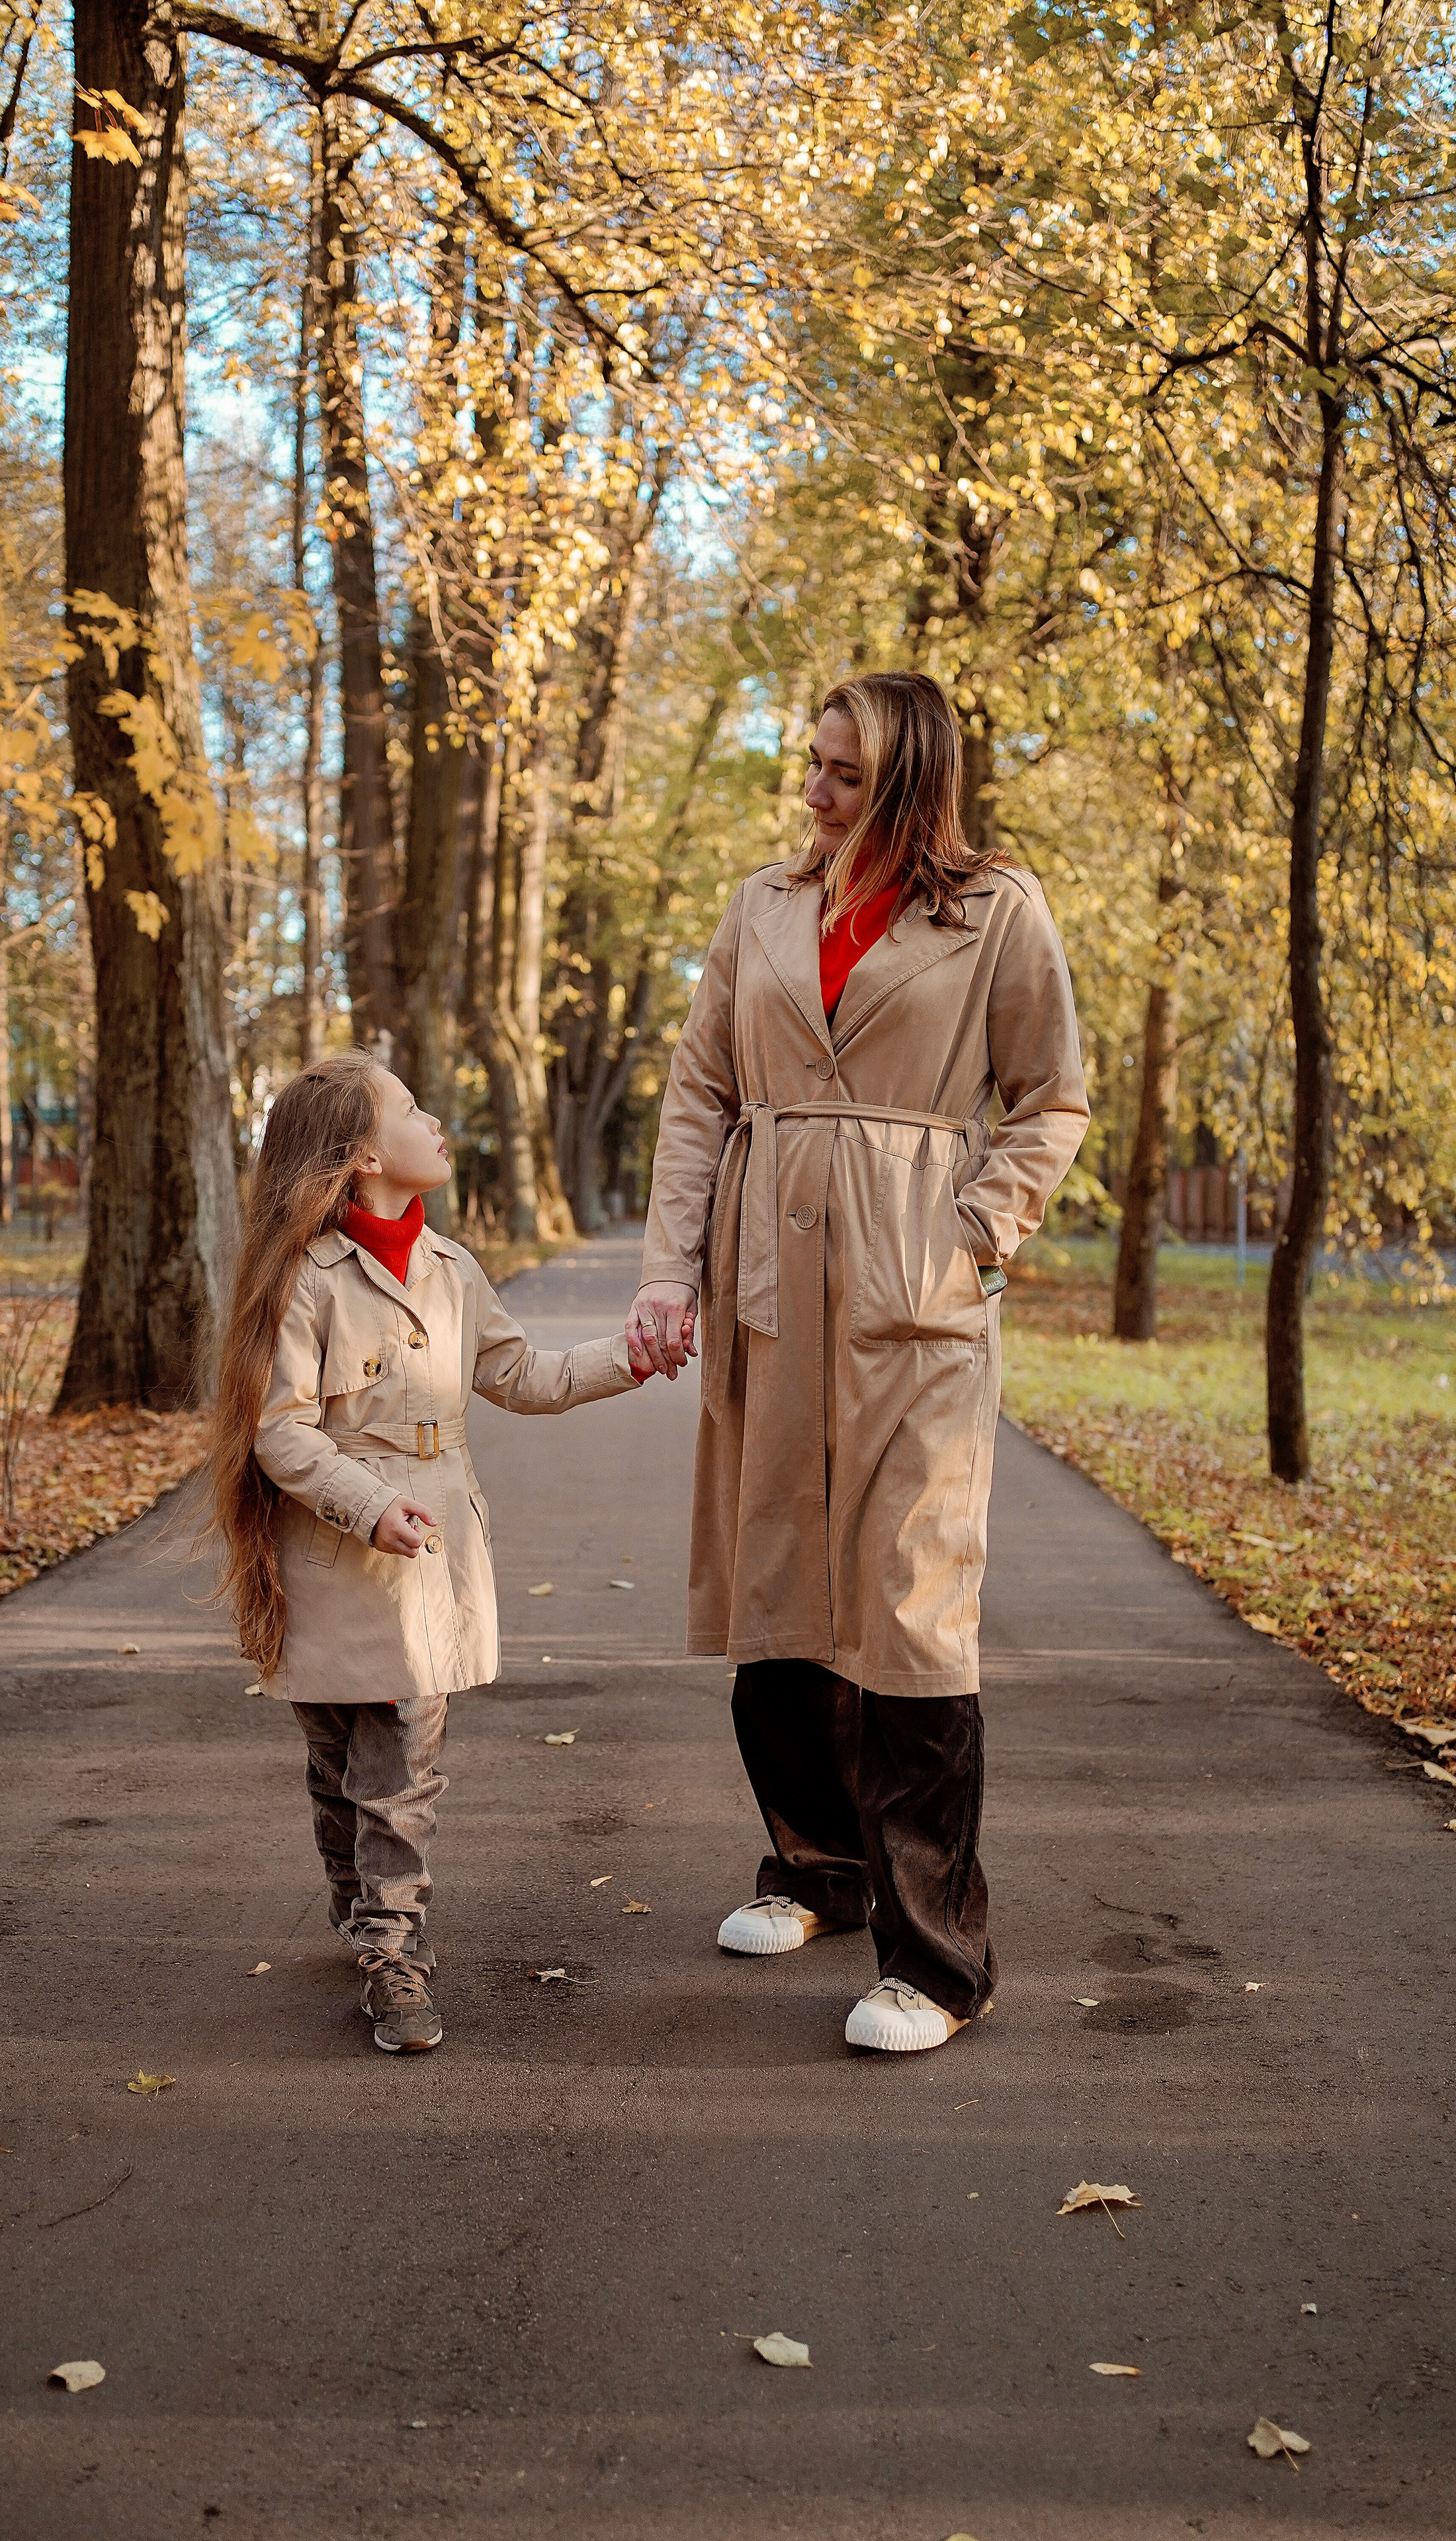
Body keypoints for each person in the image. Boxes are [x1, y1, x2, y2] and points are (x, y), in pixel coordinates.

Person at [628, 670, 1088, 2055]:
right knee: (775, 1577)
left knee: (907, 1600)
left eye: (840, 773)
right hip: (770, 1271)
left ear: (904, 784)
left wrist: (973, 1232)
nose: (812, 794)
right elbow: (702, 1087)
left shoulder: (994, 912)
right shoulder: (764, 903)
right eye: (810, 765)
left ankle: (936, 1965)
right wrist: (667, 1269)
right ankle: (813, 1869)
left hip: (913, 1288)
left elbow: (1049, 1097)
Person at [206, 1051, 651, 2055]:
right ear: (362, 1156)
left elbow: (523, 1374)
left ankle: (393, 1950)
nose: (435, 1121)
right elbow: (281, 1431)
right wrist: (369, 1507)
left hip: (428, 1558)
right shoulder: (305, 1281)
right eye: (409, 1109)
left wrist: (632, 1355)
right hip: (329, 1556)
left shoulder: (453, 1269)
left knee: (402, 1764)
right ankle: (356, 1904)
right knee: (336, 1763)